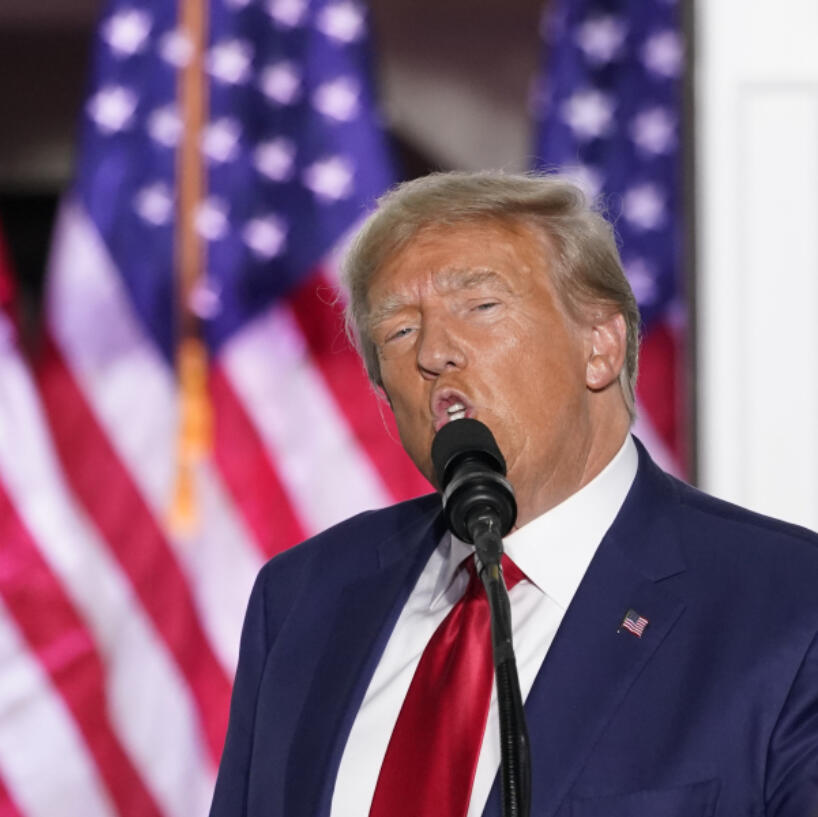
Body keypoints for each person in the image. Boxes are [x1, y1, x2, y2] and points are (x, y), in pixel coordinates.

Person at [208, 171, 818, 817]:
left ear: (600, 346)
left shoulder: (786, 601)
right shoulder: (307, 596)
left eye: (480, 306)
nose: (436, 352)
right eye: (400, 332)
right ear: (385, 397)